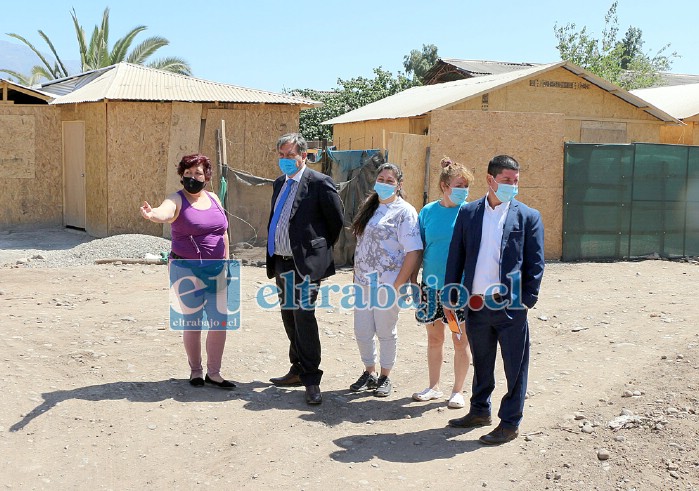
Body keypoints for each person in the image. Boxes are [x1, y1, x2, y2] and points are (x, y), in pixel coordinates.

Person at [444, 154, 544, 445]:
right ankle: (479, 411)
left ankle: (510, 423)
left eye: (515, 182)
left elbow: (535, 264)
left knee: (515, 366)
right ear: (490, 180)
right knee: (482, 362)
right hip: (476, 304)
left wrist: (526, 300)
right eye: (506, 181)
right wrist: (452, 294)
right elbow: (456, 255)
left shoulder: (528, 216)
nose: (512, 186)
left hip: (510, 306)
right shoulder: (469, 213)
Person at [140, 153, 236, 389]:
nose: (193, 177)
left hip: (216, 269)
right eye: (188, 173)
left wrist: (226, 262)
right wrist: (152, 215)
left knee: (219, 322)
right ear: (182, 175)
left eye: (198, 173)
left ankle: (214, 373)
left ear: (206, 176)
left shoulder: (214, 198)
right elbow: (164, 211)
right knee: (193, 322)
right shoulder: (177, 199)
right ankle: (195, 371)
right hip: (186, 270)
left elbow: (223, 232)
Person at [266, 133, 343, 406]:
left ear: (304, 156)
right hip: (282, 262)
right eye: (282, 155)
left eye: (291, 155)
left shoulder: (319, 183)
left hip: (306, 266)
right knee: (289, 316)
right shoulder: (279, 183)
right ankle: (297, 368)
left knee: (303, 316)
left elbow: (335, 223)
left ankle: (312, 379)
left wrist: (317, 254)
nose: (286, 160)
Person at [350, 163, 423, 398]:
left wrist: (398, 285)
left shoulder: (405, 212)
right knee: (362, 330)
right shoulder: (369, 208)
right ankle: (369, 372)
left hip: (389, 284)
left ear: (399, 185)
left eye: (390, 180)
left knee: (385, 331)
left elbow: (413, 251)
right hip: (363, 282)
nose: (384, 183)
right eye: (381, 178)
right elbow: (361, 243)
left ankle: (385, 376)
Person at [412, 157, 474, 409]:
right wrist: (412, 280)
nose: (463, 190)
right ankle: (433, 387)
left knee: (460, 340)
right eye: (459, 185)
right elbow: (418, 249)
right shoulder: (427, 212)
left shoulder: (471, 212)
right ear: (444, 186)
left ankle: (458, 391)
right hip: (430, 287)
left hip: (458, 290)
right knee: (434, 338)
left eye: (466, 186)